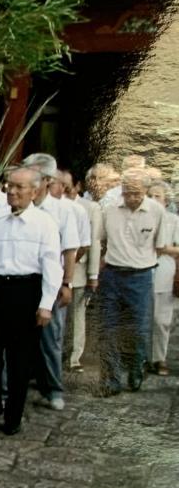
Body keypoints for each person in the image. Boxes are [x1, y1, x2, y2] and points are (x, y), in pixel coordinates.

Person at [0, 167, 62, 436]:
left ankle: (13, 416)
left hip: (26, 290)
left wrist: (46, 304)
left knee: (20, 359)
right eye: (9, 185)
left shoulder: (44, 224)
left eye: (20, 187)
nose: (12, 191)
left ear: (34, 191)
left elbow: (51, 265)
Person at [97, 168, 166, 395]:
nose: (132, 197)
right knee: (108, 328)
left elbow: (160, 245)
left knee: (138, 328)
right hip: (113, 275)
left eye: (137, 193)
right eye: (127, 192)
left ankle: (136, 368)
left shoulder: (157, 211)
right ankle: (111, 379)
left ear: (146, 191)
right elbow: (102, 241)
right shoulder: (110, 209)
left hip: (141, 276)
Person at [22, 153, 79, 411]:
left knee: (50, 338)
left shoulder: (63, 210)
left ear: (46, 180)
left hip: (51, 280)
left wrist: (66, 283)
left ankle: (53, 389)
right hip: (22, 278)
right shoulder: (19, 205)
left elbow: (70, 250)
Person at [65, 167, 105, 372]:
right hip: (59, 268)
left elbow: (94, 242)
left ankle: (74, 357)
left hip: (80, 268)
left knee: (77, 314)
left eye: (68, 187)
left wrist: (93, 275)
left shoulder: (90, 208)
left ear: (78, 186)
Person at [149, 183, 179, 375]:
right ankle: (141, 357)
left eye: (157, 196)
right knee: (143, 318)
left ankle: (160, 358)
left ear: (166, 200)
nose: (153, 200)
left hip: (165, 272)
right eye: (149, 195)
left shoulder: (173, 220)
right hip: (141, 272)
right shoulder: (139, 218)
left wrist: (164, 248)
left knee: (162, 320)